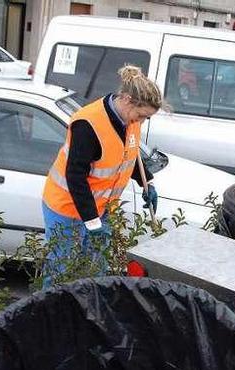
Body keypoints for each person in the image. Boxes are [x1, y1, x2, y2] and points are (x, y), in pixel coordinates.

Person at [41, 65, 163, 286]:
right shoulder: (88, 124)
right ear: (127, 99)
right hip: (66, 208)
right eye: (141, 115)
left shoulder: (129, 120)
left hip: (100, 208)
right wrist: (91, 221)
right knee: (61, 270)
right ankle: (50, 316)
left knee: (96, 270)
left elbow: (129, 153)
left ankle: (86, 314)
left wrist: (148, 182)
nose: (141, 121)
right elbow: (75, 176)